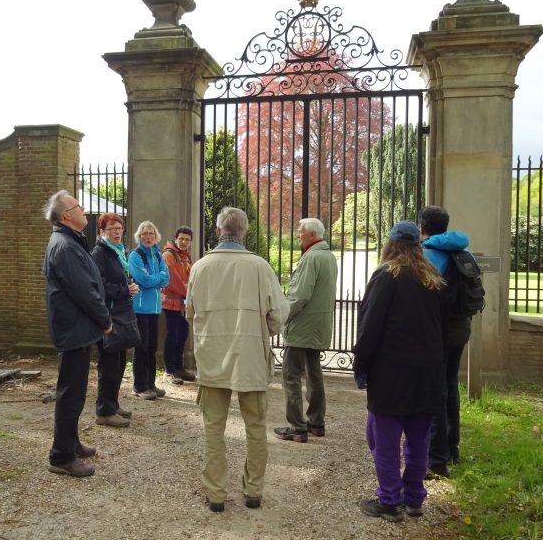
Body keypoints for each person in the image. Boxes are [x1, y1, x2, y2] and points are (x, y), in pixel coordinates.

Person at [186, 207, 289, 513]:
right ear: (244, 231)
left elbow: (190, 312)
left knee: (213, 427)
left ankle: (216, 493)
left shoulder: (200, 266)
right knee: (256, 426)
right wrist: (260, 331)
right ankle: (254, 490)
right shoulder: (259, 266)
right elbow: (279, 314)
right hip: (250, 355)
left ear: (219, 231)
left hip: (212, 354)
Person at [353, 221, 445, 522]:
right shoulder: (432, 278)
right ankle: (414, 498)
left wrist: (361, 364)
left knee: (383, 440)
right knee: (419, 441)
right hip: (427, 372)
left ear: (390, 244)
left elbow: (370, 326)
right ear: (418, 246)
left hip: (392, 372)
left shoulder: (387, 275)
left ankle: (390, 500)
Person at [42, 190, 112, 477]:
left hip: (77, 328)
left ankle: (71, 443)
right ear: (66, 216)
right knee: (70, 395)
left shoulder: (70, 241)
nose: (83, 209)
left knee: (76, 392)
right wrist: (105, 319)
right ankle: (61, 456)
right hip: (73, 330)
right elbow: (84, 291)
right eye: (78, 206)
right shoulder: (66, 247)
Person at [419, 205, 472, 478]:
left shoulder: (427, 255)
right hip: (461, 328)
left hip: (438, 331)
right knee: (451, 386)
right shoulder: (463, 251)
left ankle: (437, 459)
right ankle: (452, 449)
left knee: (436, 390)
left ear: (422, 226)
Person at [274, 218, 338, 443]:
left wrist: (282, 316)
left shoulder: (311, 258)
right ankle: (316, 423)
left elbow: (299, 296)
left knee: (291, 375)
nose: (298, 234)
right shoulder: (328, 256)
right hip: (319, 325)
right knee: (314, 374)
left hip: (302, 326)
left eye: (301, 231)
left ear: (312, 234)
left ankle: (297, 427)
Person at [90, 212, 140, 428]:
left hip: (122, 311)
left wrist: (130, 286)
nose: (117, 232)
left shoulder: (121, 251)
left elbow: (123, 277)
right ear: (103, 232)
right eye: (112, 228)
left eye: (119, 228)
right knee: (109, 363)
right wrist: (124, 290)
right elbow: (99, 286)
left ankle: (113, 403)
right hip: (110, 314)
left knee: (119, 362)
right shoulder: (99, 253)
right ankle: (104, 411)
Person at [128, 221, 170, 400]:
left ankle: (150, 384)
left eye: (151, 233)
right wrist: (159, 276)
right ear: (139, 236)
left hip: (154, 309)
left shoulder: (158, 255)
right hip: (140, 309)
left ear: (155, 236)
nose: (148, 237)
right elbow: (143, 281)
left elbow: (167, 279)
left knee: (152, 347)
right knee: (141, 347)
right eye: (144, 234)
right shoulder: (135, 256)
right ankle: (139, 386)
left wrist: (156, 277)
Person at [161, 226, 196, 385]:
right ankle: (169, 370)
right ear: (175, 239)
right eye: (181, 238)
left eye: (187, 240)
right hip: (171, 302)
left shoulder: (186, 256)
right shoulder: (168, 255)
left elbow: (192, 277)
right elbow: (173, 280)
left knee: (183, 334)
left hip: (183, 302)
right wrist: (189, 291)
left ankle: (179, 367)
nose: (184, 242)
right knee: (172, 335)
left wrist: (190, 289)